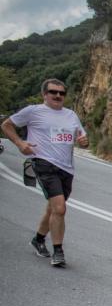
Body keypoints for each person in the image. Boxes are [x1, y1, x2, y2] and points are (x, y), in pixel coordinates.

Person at [1, 78, 89, 267]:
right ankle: (58, 252)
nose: (57, 95)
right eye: (53, 92)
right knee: (60, 208)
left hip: (66, 168)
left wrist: (84, 142)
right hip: (44, 164)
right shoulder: (33, 111)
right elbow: (6, 125)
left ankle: (38, 239)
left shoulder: (71, 115)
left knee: (53, 208)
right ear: (44, 94)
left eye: (61, 93)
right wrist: (20, 143)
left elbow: (82, 138)